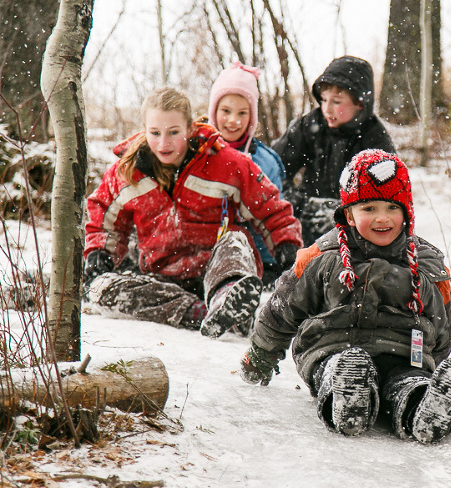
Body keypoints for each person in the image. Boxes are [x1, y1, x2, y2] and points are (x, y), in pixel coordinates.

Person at [240, 149, 451, 444]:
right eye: (369, 209)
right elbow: (283, 307)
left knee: (407, 383)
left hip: (401, 356)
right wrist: (262, 355)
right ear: (348, 214)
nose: (382, 218)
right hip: (332, 348)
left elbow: (442, 325)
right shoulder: (324, 256)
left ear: (407, 211)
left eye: (392, 207)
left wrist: (430, 363)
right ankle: (347, 399)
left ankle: (424, 407)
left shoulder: (425, 263)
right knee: (337, 369)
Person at [83, 87, 302, 338]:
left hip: (219, 266)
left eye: (173, 132)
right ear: (144, 130)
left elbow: (269, 206)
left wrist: (286, 244)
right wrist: (100, 252)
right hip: (164, 279)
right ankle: (199, 312)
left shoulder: (227, 162)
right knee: (100, 289)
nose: (163, 143)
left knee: (236, 241)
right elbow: (104, 219)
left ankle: (229, 298)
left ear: (189, 129)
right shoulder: (127, 173)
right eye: (155, 133)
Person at [273, 56, 396, 247]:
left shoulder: (375, 140)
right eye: (323, 100)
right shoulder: (310, 125)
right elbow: (274, 169)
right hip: (304, 221)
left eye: (337, 102)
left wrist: (343, 213)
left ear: (360, 104)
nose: (327, 109)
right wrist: (296, 203)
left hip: (355, 232)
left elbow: (387, 199)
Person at [207, 61, 287, 285]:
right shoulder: (198, 154)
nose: (233, 120)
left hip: (256, 258)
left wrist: (271, 261)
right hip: (204, 253)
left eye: (242, 113)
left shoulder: (265, 162)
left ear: (252, 118)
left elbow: (273, 214)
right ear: (214, 112)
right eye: (226, 111)